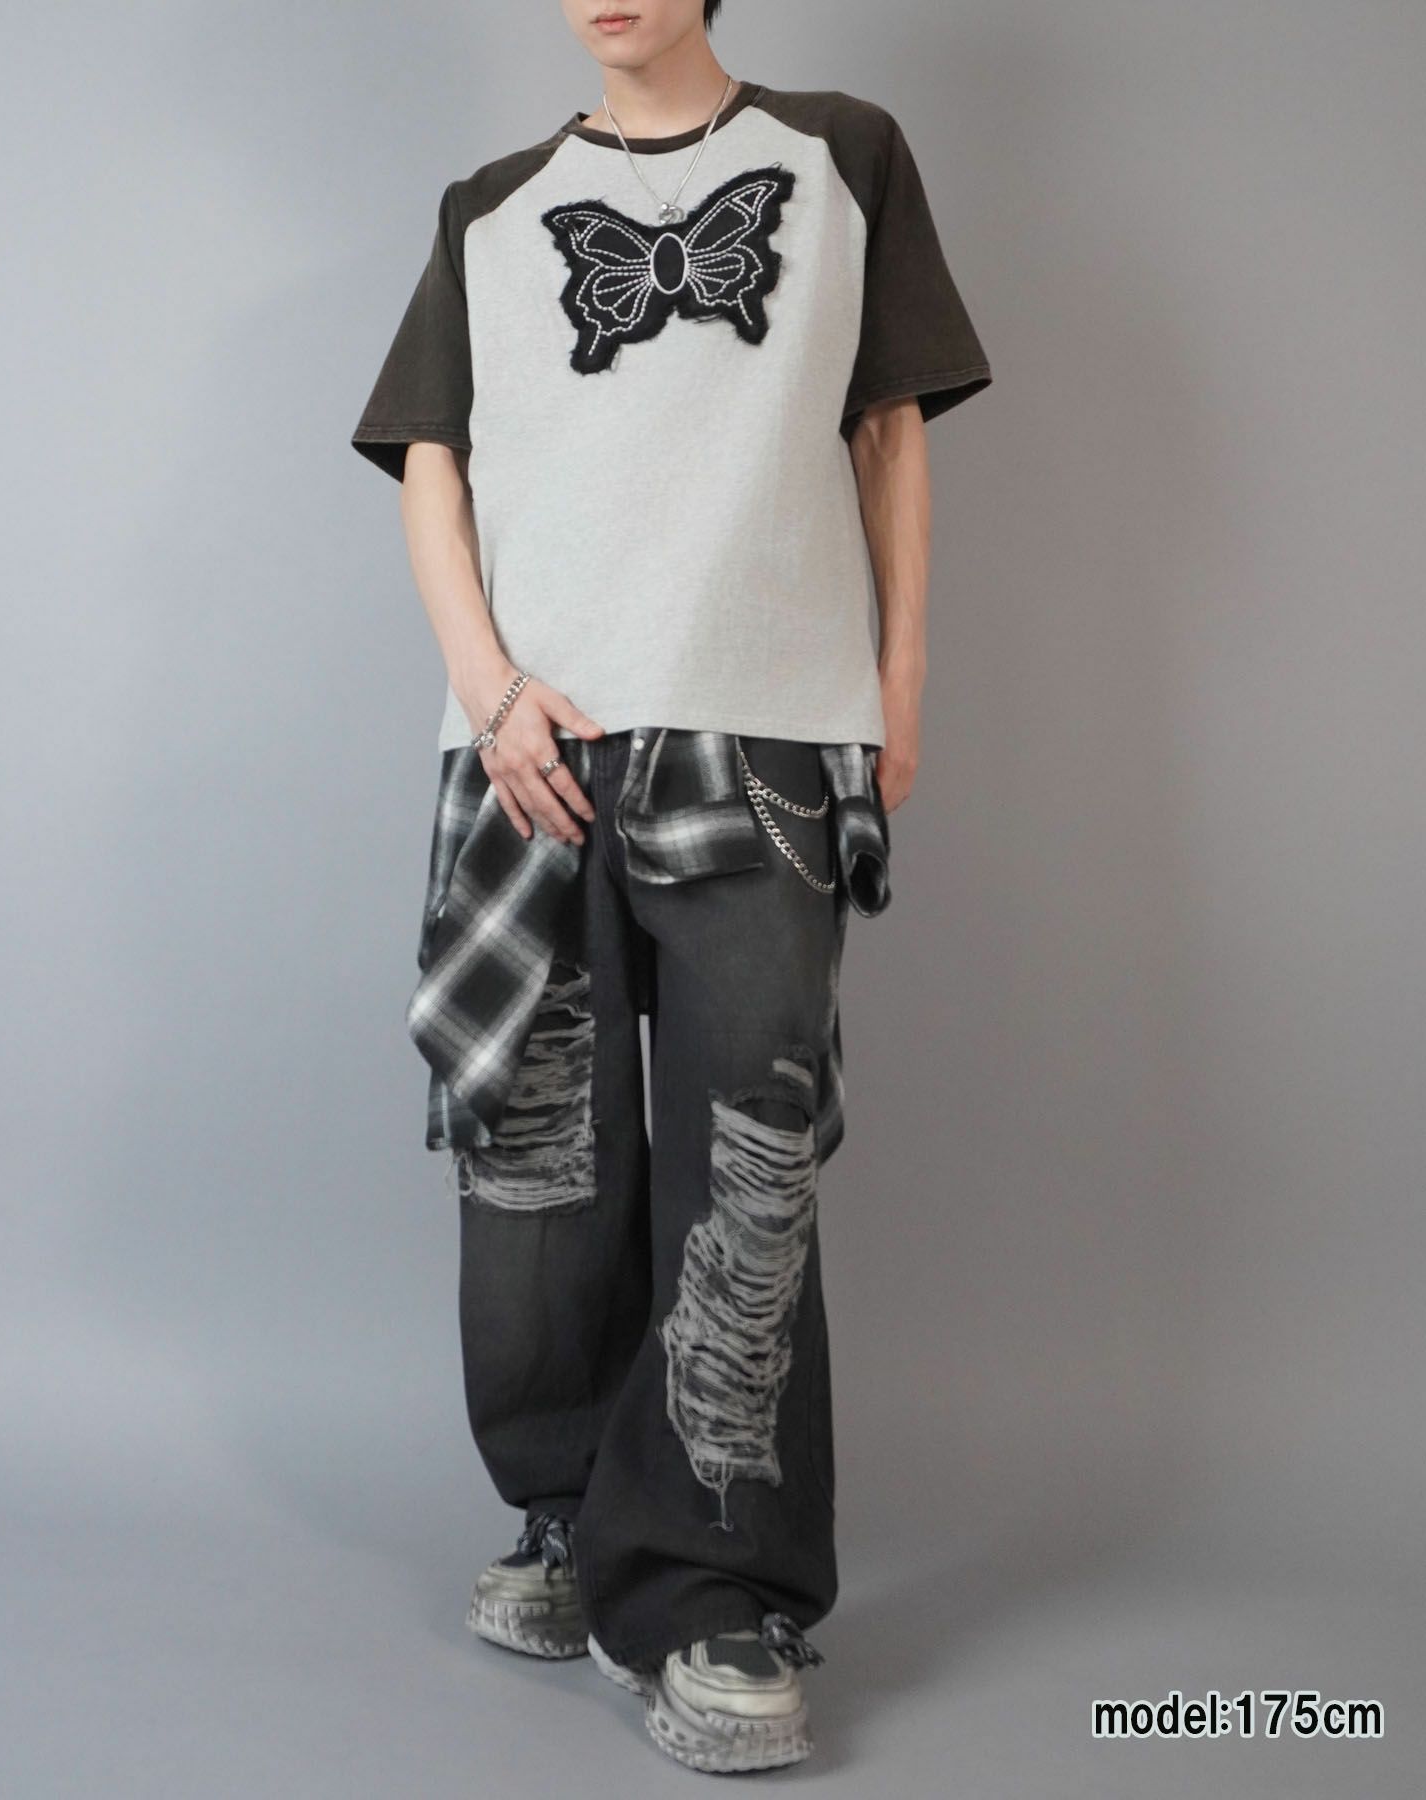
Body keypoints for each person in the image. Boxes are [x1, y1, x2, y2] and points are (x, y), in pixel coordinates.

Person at [350, 0, 990, 1774]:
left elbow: (889, 429)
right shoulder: (490, 206)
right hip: (532, 745)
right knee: (539, 1165)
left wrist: (897, 683)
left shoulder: (840, 156)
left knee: (747, 1172)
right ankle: (569, 1509)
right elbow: (430, 462)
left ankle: (719, 1593)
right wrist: (490, 690)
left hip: (763, 738)